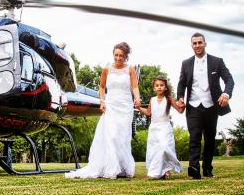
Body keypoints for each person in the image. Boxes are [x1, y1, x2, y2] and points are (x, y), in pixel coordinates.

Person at [65, 42, 141, 179]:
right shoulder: (107, 69)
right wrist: (101, 101)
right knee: (111, 135)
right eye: (116, 55)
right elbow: (101, 87)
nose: (118, 58)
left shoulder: (130, 69)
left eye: (121, 56)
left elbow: (135, 87)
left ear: (126, 56)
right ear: (113, 55)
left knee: (122, 137)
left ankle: (123, 167)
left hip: (125, 106)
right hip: (111, 104)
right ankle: (111, 168)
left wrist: (137, 98)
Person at [177, 32, 234, 179]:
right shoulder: (186, 63)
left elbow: (229, 80)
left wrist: (226, 94)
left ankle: (207, 168)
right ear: (191, 45)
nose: (197, 45)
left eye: (199, 42)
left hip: (211, 106)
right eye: (194, 43)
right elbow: (181, 84)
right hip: (193, 106)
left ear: (205, 44)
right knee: (194, 137)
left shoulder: (217, 62)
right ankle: (194, 167)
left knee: (209, 138)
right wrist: (180, 98)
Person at [136, 76, 184, 179]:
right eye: (157, 86)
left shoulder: (169, 98)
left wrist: (183, 106)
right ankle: (163, 171)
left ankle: (167, 168)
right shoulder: (152, 100)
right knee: (155, 150)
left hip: (165, 127)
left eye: (161, 85)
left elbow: (180, 111)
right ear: (154, 88)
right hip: (154, 128)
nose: (159, 87)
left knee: (164, 146)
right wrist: (139, 108)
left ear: (166, 87)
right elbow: (148, 113)